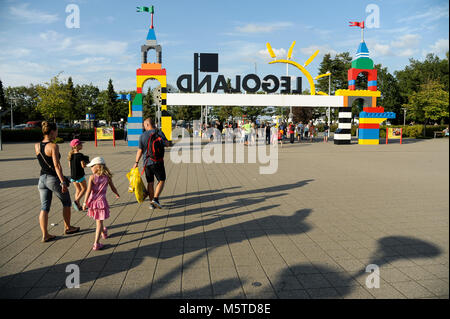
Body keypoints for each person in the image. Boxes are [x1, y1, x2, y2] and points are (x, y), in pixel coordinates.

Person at [35, 121, 80, 242]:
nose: (57, 133)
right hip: (53, 179)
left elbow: (45, 163)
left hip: (42, 179)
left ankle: (45, 234)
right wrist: (63, 182)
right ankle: (68, 227)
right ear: (52, 131)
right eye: (57, 131)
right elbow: (56, 166)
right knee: (66, 202)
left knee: (44, 207)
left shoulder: (37, 145)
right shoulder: (53, 146)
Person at [82, 157, 119, 251]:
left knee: (98, 222)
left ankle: (96, 243)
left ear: (98, 166)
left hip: (93, 202)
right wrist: (116, 193)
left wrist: (84, 202)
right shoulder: (107, 177)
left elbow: (88, 191)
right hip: (102, 202)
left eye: (92, 166)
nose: (91, 169)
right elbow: (113, 187)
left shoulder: (92, 177)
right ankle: (103, 232)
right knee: (99, 220)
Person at [133, 117, 169, 209]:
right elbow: (167, 144)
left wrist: (136, 162)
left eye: (144, 125)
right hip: (158, 161)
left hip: (146, 163)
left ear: (148, 125)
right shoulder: (159, 132)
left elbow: (140, 150)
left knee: (150, 182)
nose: (144, 127)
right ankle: (155, 199)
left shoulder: (143, 135)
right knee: (161, 180)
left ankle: (151, 203)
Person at [68, 139, 89, 211]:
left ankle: (78, 206)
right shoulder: (80, 155)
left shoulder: (71, 155)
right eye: (81, 144)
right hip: (80, 175)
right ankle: (76, 201)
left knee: (78, 189)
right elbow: (83, 165)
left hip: (73, 176)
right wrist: (87, 164)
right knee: (84, 188)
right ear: (77, 146)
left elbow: (69, 166)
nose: (82, 145)